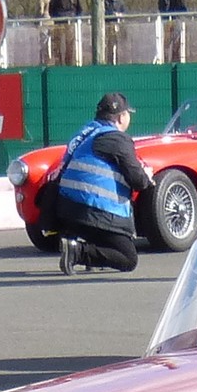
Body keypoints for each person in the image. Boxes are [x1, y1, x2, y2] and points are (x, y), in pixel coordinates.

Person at [54, 91, 152, 274]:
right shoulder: (116, 138)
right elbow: (138, 181)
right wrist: (147, 176)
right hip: (92, 210)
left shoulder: (85, 133)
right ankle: (78, 252)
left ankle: (82, 246)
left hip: (65, 209)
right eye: (128, 114)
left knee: (105, 237)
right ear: (121, 117)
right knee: (128, 258)